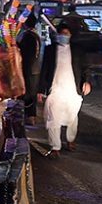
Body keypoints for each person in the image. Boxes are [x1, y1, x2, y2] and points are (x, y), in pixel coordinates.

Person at [40, 22, 89, 156]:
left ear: (70, 35)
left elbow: (84, 69)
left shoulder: (77, 51)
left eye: (66, 34)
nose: (63, 36)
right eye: (61, 34)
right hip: (55, 90)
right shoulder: (50, 50)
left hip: (72, 90)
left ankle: (71, 140)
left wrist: (86, 82)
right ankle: (55, 147)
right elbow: (44, 70)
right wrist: (40, 90)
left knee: (72, 117)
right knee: (53, 118)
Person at [16, 13, 42, 125]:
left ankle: (28, 116)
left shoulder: (28, 36)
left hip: (28, 68)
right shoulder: (36, 36)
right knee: (31, 93)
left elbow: (24, 52)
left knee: (27, 92)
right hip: (35, 68)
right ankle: (31, 116)